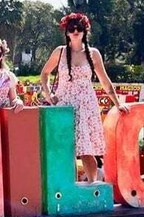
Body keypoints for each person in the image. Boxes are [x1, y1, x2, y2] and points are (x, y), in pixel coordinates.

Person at [40, 12, 129, 182]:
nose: (75, 31)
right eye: (71, 28)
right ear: (66, 31)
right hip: (64, 104)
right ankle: (69, 187)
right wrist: (47, 93)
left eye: (79, 28)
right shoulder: (59, 52)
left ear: (85, 30)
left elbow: (105, 80)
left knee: (86, 149)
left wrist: (117, 104)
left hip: (86, 105)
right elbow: (44, 73)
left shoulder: (93, 53)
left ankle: (92, 185)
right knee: (66, 149)